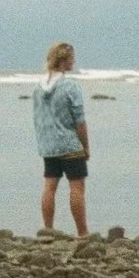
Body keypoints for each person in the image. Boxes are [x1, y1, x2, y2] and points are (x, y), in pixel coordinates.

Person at [33, 41, 90, 238]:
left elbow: (38, 119)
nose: (74, 62)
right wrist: (85, 146)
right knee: (77, 187)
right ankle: (82, 232)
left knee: (49, 187)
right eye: (72, 59)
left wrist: (43, 142)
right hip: (69, 144)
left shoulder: (38, 88)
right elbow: (80, 121)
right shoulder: (70, 87)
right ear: (64, 61)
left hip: (48, 145)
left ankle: (48, 229)